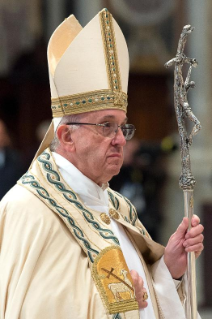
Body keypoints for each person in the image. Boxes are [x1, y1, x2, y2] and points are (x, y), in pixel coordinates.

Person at [0, 9, 203, 319]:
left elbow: (143, 301)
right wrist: (114, 302)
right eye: (106, 126)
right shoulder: (28, 209)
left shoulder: (119, 209)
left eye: (123, 126)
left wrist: (167, 271)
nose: (120, 139)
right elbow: (26, 310)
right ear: (66, 135)